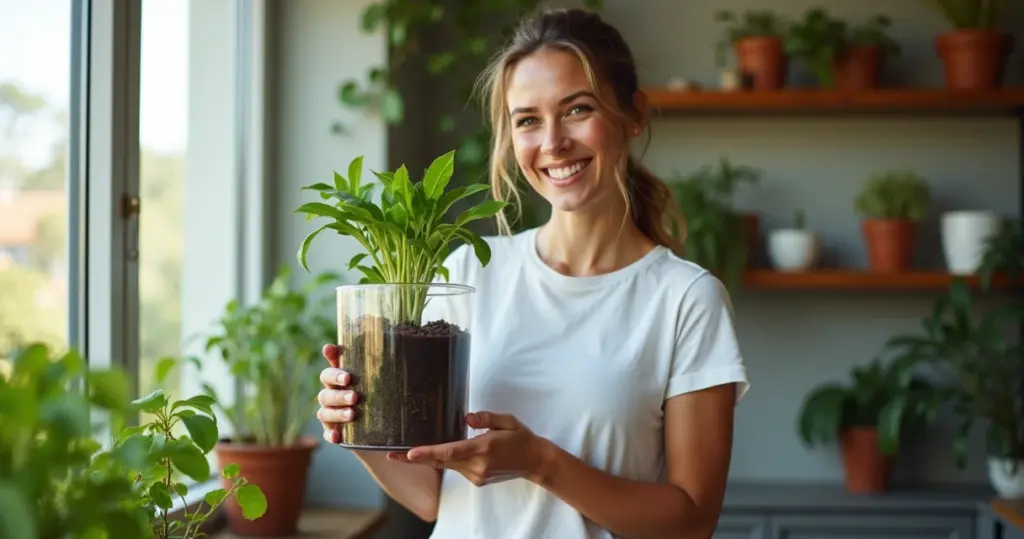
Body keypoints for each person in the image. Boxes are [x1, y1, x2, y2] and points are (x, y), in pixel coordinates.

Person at [316, 7, 749, 539]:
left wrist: (540, 462)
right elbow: (431, 497)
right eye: (528, 120)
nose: (552, 142)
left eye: (577, 109)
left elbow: (691, 522)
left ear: (633, 115)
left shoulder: (686, 299)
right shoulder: (470, 270)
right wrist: (356, 426)